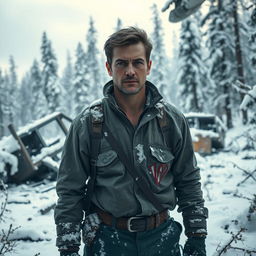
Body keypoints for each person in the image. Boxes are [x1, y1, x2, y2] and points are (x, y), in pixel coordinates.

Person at [54, 27, 208, 256]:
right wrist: (68, 247)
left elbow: (188, 181)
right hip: (107, 241)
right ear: (109, 68)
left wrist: (196, 236)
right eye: (121, 63)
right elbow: (70, 190)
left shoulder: (171, 121)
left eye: (137, 62)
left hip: (162, 241)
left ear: (149, 66)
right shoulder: (88, 123)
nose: (130, 71)